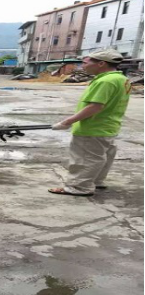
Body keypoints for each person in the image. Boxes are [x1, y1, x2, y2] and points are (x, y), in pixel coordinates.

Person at [49, 49, 131, 197]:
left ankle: (79, 187)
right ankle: (95, 181)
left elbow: (96, 106)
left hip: (93, 127)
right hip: (109, 125)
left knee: (85, 158)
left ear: (101, 63)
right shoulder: (121, 79)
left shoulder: (105, 81)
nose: (83, 65)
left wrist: (67, 122)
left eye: (86, 62)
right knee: (101, 157)